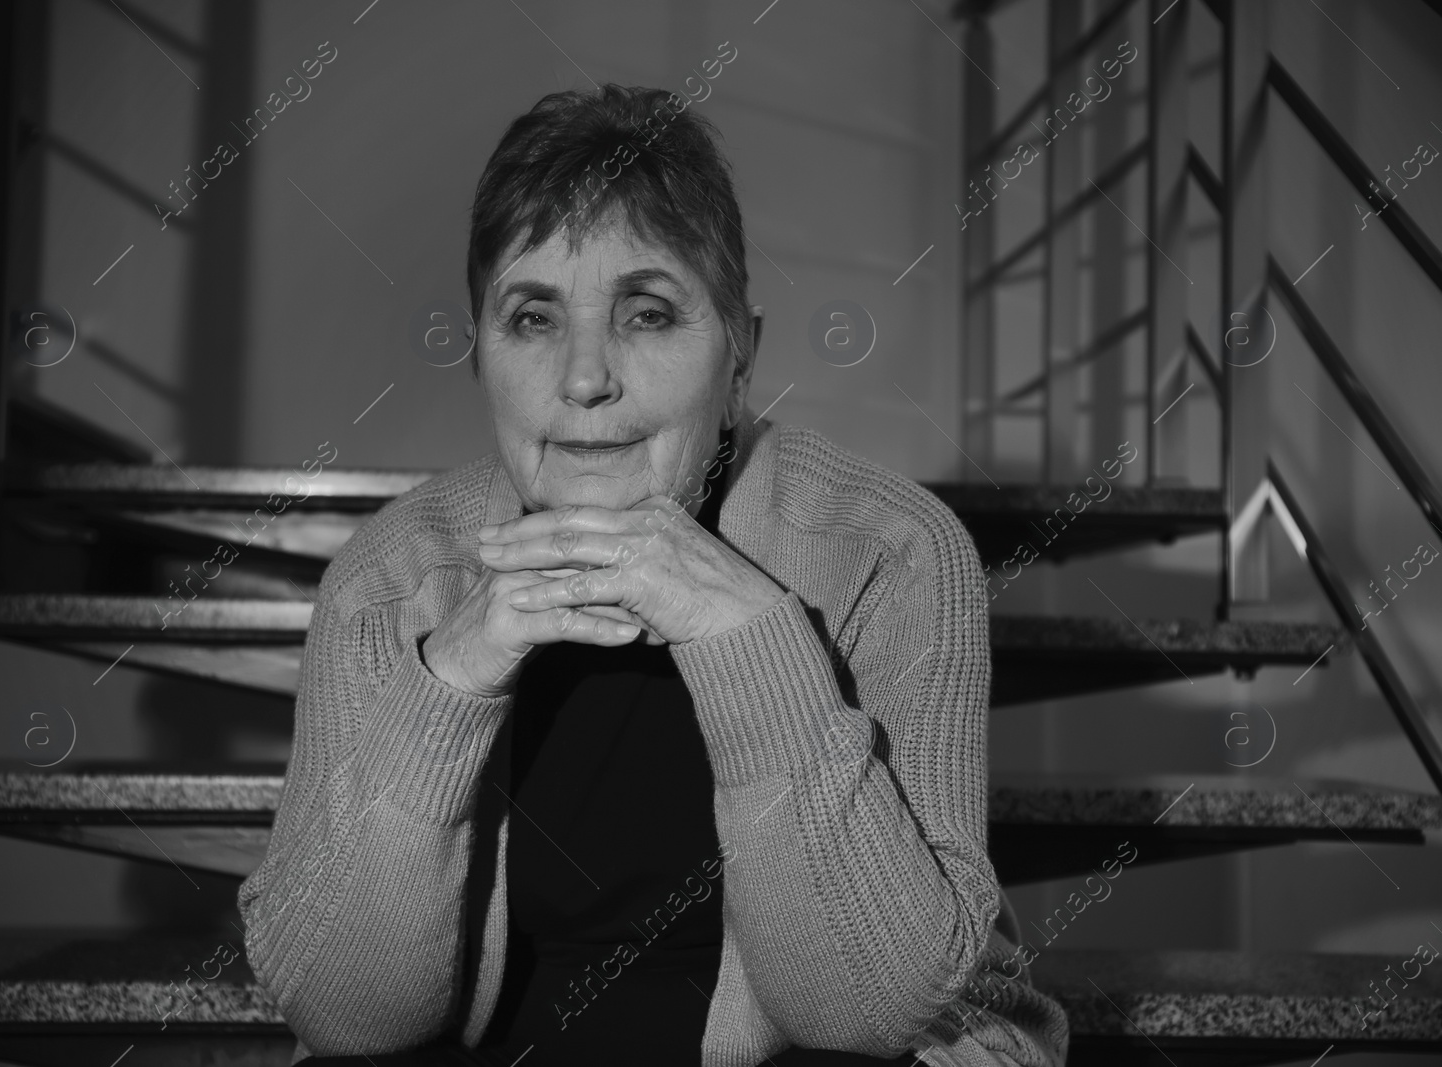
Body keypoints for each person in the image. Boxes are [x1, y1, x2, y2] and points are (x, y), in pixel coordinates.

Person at [239, 83, 1069, 1067]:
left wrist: (749, 635)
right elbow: (347, 1019)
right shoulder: (392, 578)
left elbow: (869, 1008)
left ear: (740, 354)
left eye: (647, 312)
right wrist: (447, 676)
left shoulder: (886, 549)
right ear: (481, 356)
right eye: (534, 318)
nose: (585, 377)